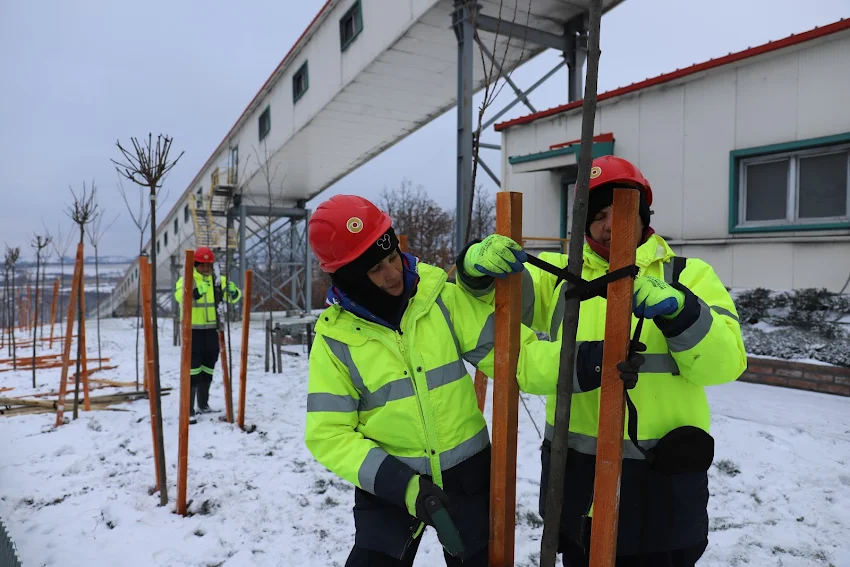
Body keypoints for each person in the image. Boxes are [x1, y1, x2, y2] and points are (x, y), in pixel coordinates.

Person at [304, 195, 637, 567]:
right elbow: (328, 434)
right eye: (376, 270)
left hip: (468, 478)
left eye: (392, 257)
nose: (393, 273)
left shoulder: (441, 301)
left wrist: (595, 360)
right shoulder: (335, 340)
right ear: (349, 278)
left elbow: (519, 360)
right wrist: (407, 487)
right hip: (389, 485)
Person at [454, 155, 747, 566]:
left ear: (644, 215)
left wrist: (680, 312)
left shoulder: (687, 276)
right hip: (577, 489)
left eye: (620, 211)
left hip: (664, 489)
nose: (610, 224)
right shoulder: (559, 276)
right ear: (583, 222)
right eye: (599, 214)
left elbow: (726, 364)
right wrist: (473, 266)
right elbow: (490, 298)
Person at [175, 246, 241, 424]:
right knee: (193, 370)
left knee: (208, 369)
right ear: (195, 265)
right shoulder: (187, 280)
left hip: (213, 331)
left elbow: (234, 297)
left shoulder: (218, 280)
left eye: (208, 265)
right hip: (193, 332)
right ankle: (188, 409)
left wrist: (234, 291)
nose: (205, 269)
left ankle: (203, 404)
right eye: (202, 265)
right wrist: (197, 291)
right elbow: (181, 297)